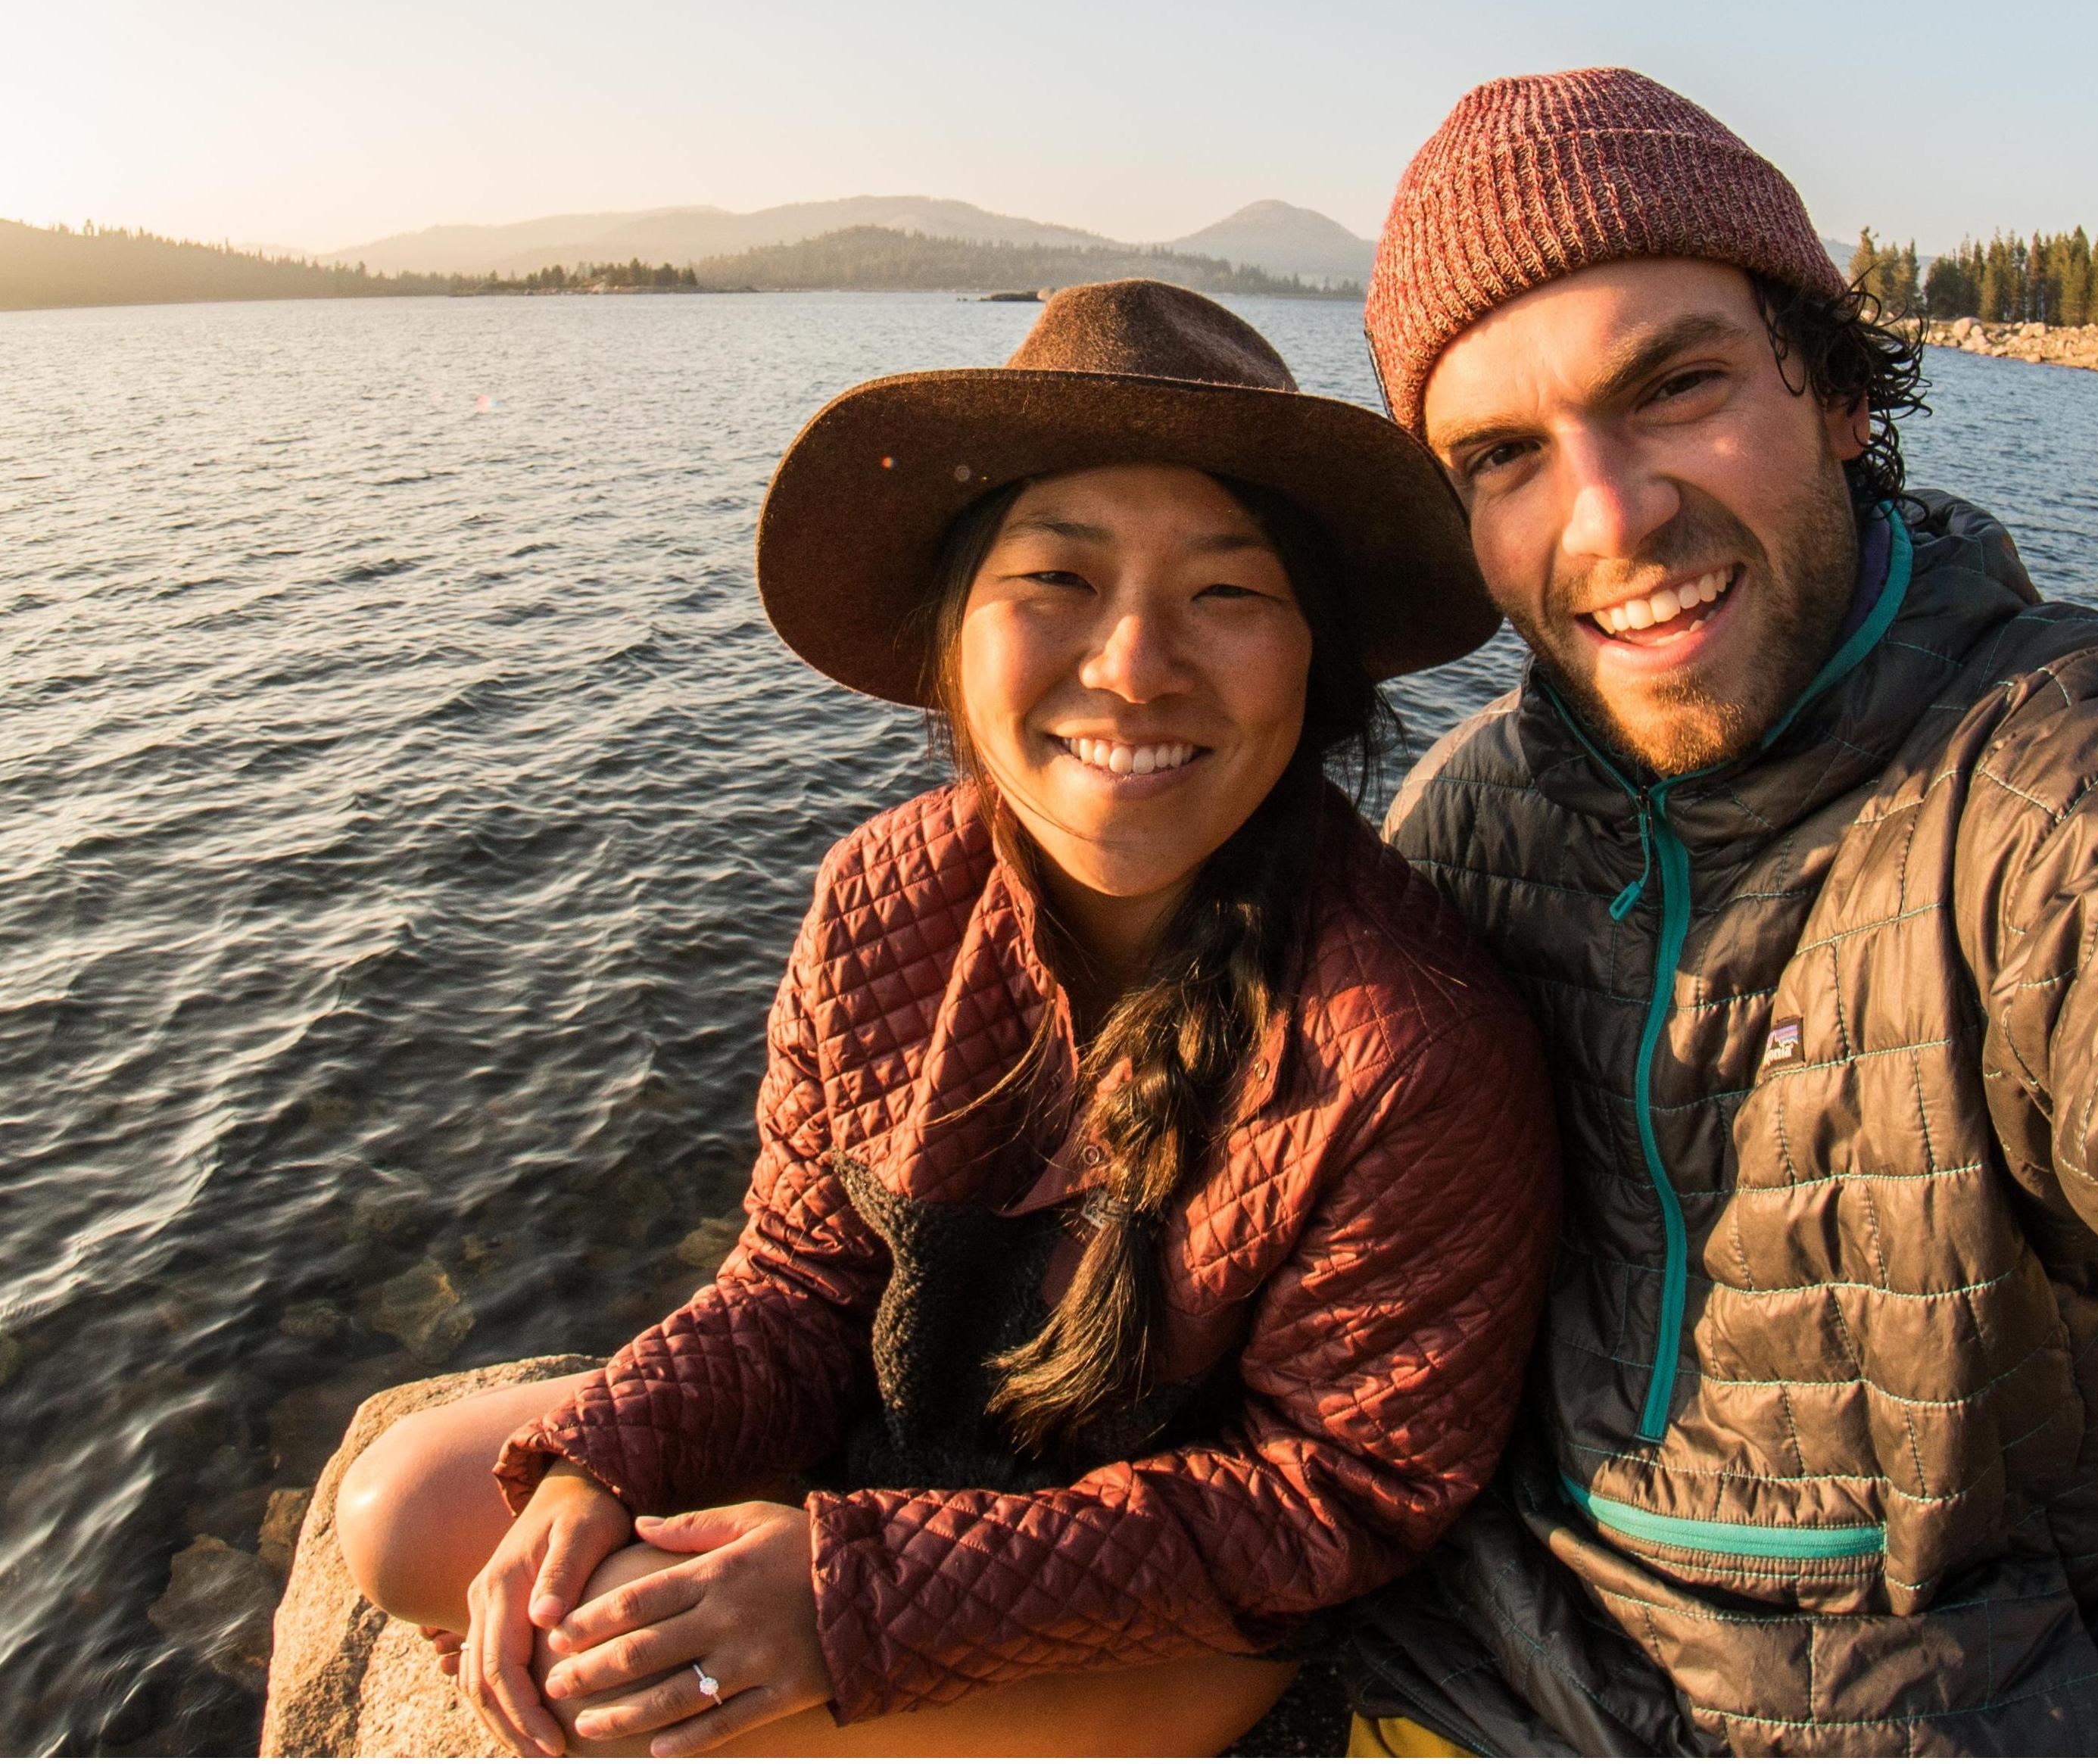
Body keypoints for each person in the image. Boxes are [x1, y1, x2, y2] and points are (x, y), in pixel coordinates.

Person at [1338, 67, 2098, 1757]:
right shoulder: (1465, 816)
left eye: (1676, 386)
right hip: (1446, 1681)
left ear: (1835, 389)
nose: (1609, 516)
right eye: (1503, 456)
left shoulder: (2061, 788)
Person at [336, 279, 1557, 1759]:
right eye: (1056, 579)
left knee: (671, 1717)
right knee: (413, 1512)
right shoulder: (884, 895)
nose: (1132, 665)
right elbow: (799, 1284)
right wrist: (604, 1461)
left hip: (1184, 1587)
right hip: (917, 1455)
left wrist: (851, 1600)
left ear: (1317, 661)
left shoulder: (1406, 1039)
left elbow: (1332, 1493)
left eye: (1226, 592)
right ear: (953, 640)